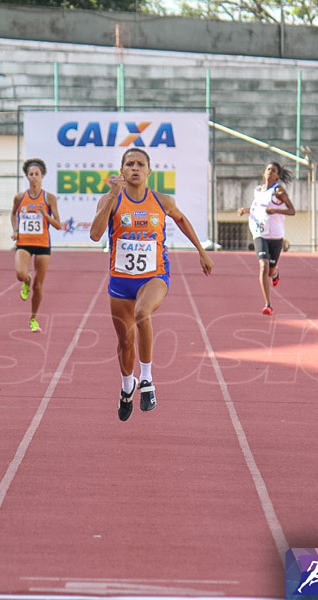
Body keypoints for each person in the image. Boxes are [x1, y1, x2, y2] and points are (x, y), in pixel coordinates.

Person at [91, 149, 213, 421]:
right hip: (121, 280)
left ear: (149, 172)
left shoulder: (162, 201)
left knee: (142, 313)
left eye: (140, 164)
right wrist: (112, 196)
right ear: (121, 170)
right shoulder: (110, 200)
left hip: (154, 275)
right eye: (129, 164)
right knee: (125, 341)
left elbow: (180, 219)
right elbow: (95, 234)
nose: (135, 168)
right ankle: (127, 387)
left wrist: (201, 251)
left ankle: (146, 380)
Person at [10, 158, 63, 333]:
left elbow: (58, 224)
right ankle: (26, 280)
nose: (33, 177)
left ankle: (33, 318)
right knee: (20, 273)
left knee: (38, 286)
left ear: (42, 176)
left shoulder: (49, 198)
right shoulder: (20, 197)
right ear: (27, 177)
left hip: (42, 244)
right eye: (30, 174)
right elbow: (13, 214)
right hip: (24, 242)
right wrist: (16, 230)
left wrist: (45, 215)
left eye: (36, 174)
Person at [237, 161, 295, 315]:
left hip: (275, 235)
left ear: (277, 175)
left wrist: (275, 210)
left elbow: (292, 210)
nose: (270, 172)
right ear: (264, 173)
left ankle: (275, 274)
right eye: (268, 169)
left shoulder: (279, 192)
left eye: (273, 170)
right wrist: (245, 210)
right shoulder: (258, 190)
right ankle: (268, 304)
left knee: (269, 271)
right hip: (260, 232)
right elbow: (257, 208)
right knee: (262, 266)